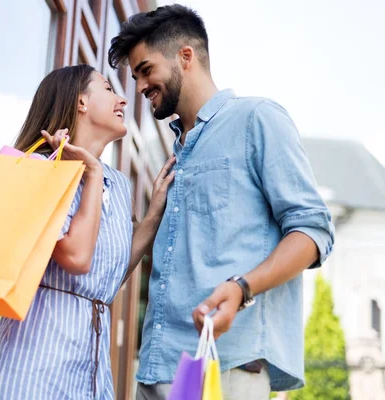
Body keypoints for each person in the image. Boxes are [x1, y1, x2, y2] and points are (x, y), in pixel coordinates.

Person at [108, 4, 335, 399]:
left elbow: (313, 231)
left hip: (225, 369)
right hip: (157, 370)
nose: (140, 86)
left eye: (145, 69)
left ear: (185, 56)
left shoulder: (256, 119)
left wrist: (242, 288)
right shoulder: (175, 155)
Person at [0, 64, 175, 400]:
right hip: (31, 369)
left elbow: (106, 277)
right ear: (80, 102)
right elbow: (77, 258)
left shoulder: (119, 186)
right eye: (108, 89)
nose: (122, 99)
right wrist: (90, 175)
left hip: (91, 374)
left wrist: (152, 217)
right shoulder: (39, 169)